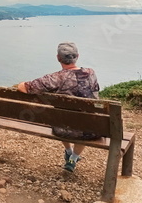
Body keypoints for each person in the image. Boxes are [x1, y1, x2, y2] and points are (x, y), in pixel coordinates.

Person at [17, 42, 100, 172]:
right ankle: (73, 158)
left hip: (61, 128)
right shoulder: (91, 73)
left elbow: (23, 87)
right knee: (85, 120)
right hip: (90, 130)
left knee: (62, 117)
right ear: (77, 56)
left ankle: (68, 151)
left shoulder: (54, 78)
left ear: (58, 58)